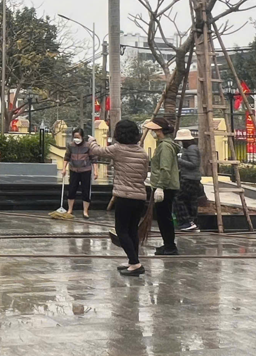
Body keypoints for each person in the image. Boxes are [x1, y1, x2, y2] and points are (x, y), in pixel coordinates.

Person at [87, 120, 150, 276]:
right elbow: (143, 175)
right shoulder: (142, 152)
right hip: (140, 196)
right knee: (132, 231)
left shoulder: (118, 149)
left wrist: (91, 140)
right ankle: (132, 261)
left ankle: (135, 264)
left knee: (121, 231)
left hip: (124, 196)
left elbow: (96, 151)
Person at [144, 117, 181, 255]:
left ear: (159, 130)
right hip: (164, 185)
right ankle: (167, 244)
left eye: (153, 130)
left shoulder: (165, 146)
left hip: (165, 187)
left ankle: (170, 246)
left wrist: (160, 186)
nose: (152, 132)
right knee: (162, 217)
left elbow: (165, 168)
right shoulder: (163, 144)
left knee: (165, 217)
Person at [52, 127, 97, 220]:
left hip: (85, 170)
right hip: (73, 170)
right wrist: (64, 168)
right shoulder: (70, 145)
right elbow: (66, 157)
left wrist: (96, 171)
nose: (76, 139)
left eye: (78, 137)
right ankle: (70, 209)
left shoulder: (88, 146)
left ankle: (85, 211)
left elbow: (93, 159)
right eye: (74, 137)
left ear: (82, 137)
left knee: (86, 190)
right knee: (72, 189)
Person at [173, 129, 204, 232]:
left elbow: (194, 164)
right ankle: (193, 222)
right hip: (193, 178)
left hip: (189, 178)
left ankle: (185, 222)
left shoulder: (191, 149)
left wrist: (179, 160)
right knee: (191, 200)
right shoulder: (191, 148)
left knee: (178, 198)